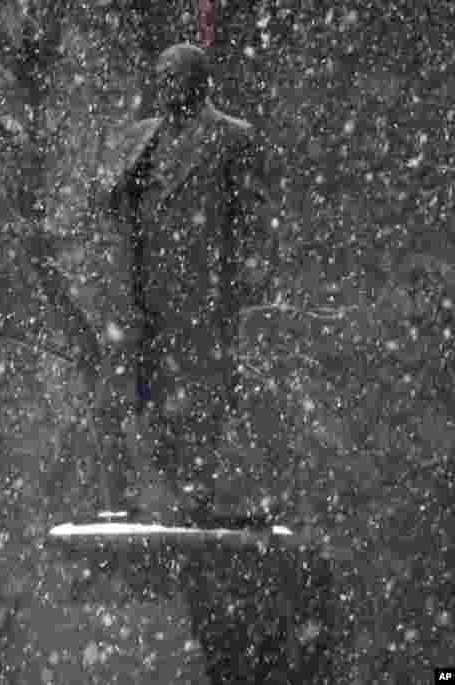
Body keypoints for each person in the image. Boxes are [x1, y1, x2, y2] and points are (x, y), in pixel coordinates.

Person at [97, 43, 338, 683]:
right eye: (158, 76)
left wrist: (248, 286)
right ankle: (177, 490)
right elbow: (116, 202)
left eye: (172, 77)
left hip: (202, 302)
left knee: (201, 401)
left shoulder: (232, 138)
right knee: (148, 404)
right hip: (148, 301)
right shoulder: (141, 140)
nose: (162, 85)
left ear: (198, 84)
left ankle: (198, 492)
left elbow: (254, 219)